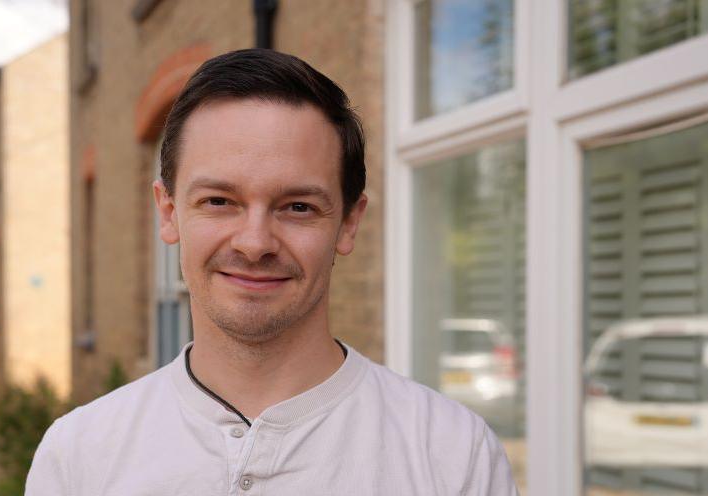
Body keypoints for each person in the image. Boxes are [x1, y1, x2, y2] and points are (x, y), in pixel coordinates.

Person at [26, 48, 518, 495]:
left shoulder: (453, 455)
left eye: (298, 207)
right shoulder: (79, 457)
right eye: (219, 201)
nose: (255, 243)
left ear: (349, 223)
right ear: (169, 212)